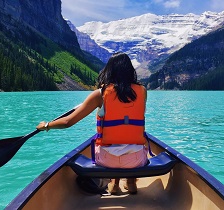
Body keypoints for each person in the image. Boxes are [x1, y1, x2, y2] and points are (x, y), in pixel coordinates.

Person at [36, 52, 148, 195]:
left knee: (110, 147)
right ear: (130, 71)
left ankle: (114, 183)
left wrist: (46, 125)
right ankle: (131, 183)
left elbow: (68, 121)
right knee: (133, 143)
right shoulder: (142, 91)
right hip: (136, 160)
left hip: (108, 160)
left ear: (109, 70)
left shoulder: (100, 94)